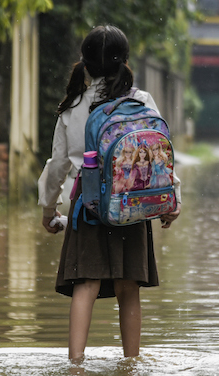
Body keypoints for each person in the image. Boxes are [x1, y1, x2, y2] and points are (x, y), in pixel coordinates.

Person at [37, 25, 182, 363]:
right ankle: (131, 363)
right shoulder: (141, 101)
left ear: (85, 64)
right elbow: (160, 155)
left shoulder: (72, 107)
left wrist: (48, 210)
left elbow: (57, 164)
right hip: (131, 204)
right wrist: (171, 200)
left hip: (88, 206)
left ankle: (75, 365)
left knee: (84, 284)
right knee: (128, 288)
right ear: (125, 61)